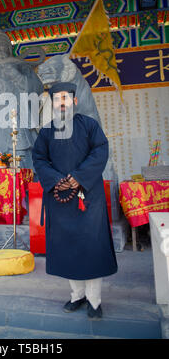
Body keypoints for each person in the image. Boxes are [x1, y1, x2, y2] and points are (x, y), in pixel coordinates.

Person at [32, 82, 117, 319]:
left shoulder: (89, 126)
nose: (61, 102)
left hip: (88, 198)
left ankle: (94, 300)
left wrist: (78, 178)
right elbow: (39, 158)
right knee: (67, 248)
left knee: (91, 246)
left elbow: (100, 151)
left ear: (74, 102)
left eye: (65, 98)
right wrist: (57, 180)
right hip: (60, 197)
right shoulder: (46, 132)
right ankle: (76, 295)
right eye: (57, 99)